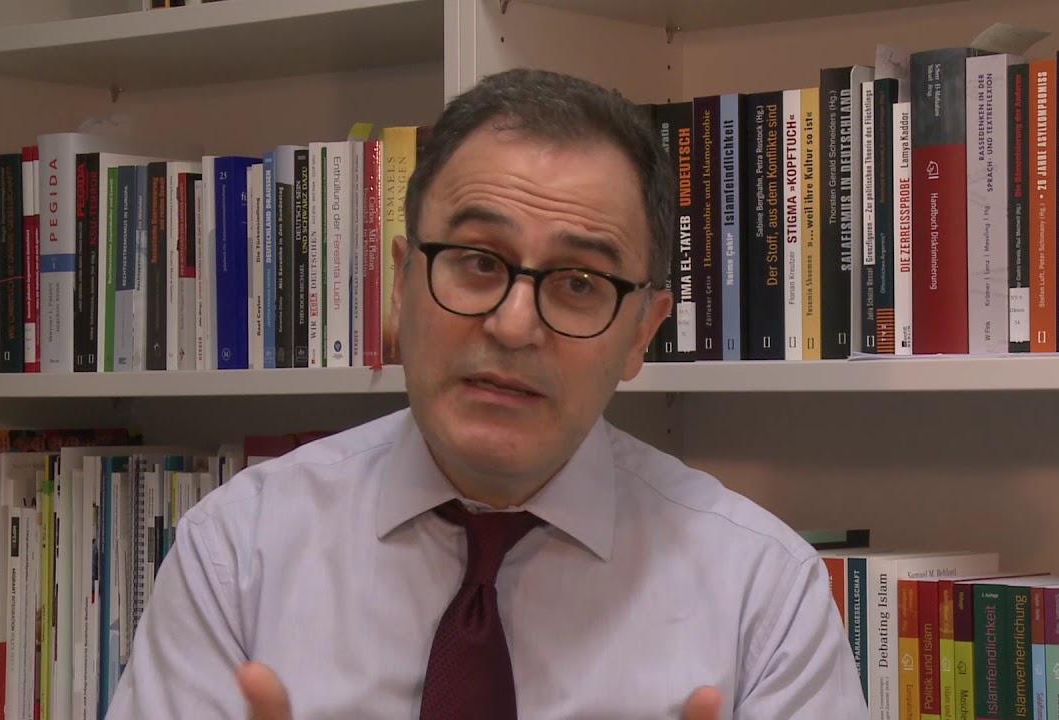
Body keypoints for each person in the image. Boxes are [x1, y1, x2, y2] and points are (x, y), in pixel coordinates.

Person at [104, 68, 866, 720]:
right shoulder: (238, 553)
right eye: (476, 260)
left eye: (578, 283)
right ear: (402, 284)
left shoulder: (763, 593)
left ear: (642, 332)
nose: (512, 324)